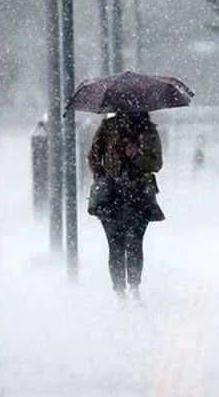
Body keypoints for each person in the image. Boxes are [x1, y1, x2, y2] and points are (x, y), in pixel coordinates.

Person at [87, 111, 164, 302]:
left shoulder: (148, 130)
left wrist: (137, 155)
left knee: (135, 243)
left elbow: (156, 163)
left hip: (139, 195)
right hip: (111, 195)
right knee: (115, 244)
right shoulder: (107, 127)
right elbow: (93, 156)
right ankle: (119, 289)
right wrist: (103, 176)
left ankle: (134, 286)